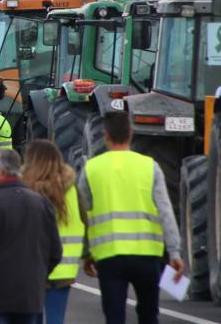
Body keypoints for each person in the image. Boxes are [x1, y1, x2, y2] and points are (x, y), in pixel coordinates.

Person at [79, 112, 183, 324]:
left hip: (109, 256)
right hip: (147, 257)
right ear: (131, 133)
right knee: (148, 315)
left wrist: (86, 252)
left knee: (114, 316)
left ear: (105, 135)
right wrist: (174, 252)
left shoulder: (91, 168)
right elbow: (165, 211)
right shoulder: (150, 166)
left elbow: (83, 214)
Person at [0, 150, 62, 324]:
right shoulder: (41, 204)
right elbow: (55, 252)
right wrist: (36, 278)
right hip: (28, 299)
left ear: (4, 172)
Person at [22, 140, 85, 324]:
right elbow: (84, 220)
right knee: (56, 320)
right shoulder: (72, 188)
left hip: (31, 268)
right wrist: (88, 255)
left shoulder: (25, 188)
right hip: (64, 267)